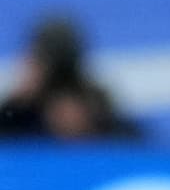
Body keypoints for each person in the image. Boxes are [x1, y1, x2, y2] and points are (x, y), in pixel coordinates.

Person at [0, 16, 140, 141]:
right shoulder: (21, 113)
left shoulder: (99, 112)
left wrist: (93, 129)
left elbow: (137, 146)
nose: (64, 116)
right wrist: (15, 108)